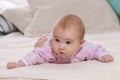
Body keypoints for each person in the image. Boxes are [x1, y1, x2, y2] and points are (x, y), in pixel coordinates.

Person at [7, 14, 114, 69]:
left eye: (68, 42)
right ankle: (48, 36)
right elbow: (35, 55)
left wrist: (103, 55)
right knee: (38, 46)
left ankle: (51, 35)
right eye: (57, 40)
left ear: (80, 43)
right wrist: (19, 63)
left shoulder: (85, 48)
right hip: (47, 40)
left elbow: (97, 49)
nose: (61, 47)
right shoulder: (49, 50)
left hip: (53, 37)